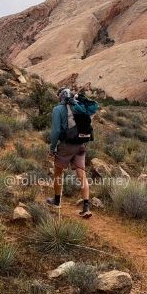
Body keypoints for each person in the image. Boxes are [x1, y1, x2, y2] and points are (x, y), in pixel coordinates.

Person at [46, 87, 92, 218]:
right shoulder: (77, 107)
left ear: (60, 96)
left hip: (66, 145)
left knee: (58, 173)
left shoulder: (57, 109)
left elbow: (55, 132)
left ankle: (56, 201)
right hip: (80, 144)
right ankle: (86, 207)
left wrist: (52, 147)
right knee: (82, 175)